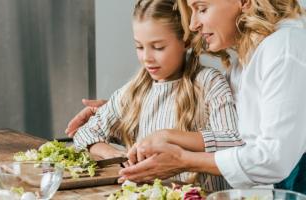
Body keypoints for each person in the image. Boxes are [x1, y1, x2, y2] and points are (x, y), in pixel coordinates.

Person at [116, 0, 306, 198]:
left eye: (202, 9)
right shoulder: (246, 61)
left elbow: (273, 160)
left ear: (245, 2)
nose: (193, 24)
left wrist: (184, 160)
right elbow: (234, 137)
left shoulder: (285, 49)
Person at [71, 0, 244, 191]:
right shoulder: (135, 91)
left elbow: (233, 140)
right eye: (139, 47)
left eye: (158, 47)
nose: (147, 57)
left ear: (185, 40)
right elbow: (85, 134)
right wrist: (115, 156)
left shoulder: (209, 82)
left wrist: (168, 136)